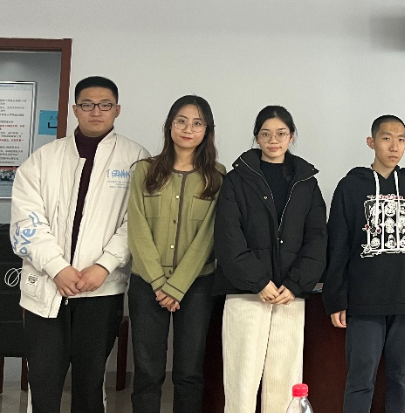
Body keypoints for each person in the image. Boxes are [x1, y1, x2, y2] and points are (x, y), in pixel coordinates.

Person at [9, 76, 149, 413]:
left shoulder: (136, 159)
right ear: (75, 109)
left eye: (104, 105)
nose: (96, 111)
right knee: (43, 381)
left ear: (117, 110)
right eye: (87, 104)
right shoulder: (43, 159)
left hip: (101, 290)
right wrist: (57, 268)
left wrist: (104, 266)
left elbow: (137, 223)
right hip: (46, 287)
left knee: (90, 383)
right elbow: (26, 222)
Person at [323, 114, 405, 413]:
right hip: (364, 302)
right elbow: (337, 245)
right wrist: (336, 298)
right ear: (371, 142)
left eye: (400, 140)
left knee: (401, 379)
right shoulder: (350, 187)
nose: (394, 147)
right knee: (360, 379)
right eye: (386, 138)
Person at [214, 105, 327, 413]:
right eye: (265, 134)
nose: (273, 140)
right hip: (246, 293)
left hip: (290, 295)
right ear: (256, 137)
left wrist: (295, 284)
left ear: (292, 136)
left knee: (285, 381)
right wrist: (258, 282)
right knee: (241, 380)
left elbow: (317, 238)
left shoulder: (306, 183)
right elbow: (228, 236)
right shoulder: (236, 180)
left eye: (281, 133)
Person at [127, 95, 225, 413]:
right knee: (147, 372)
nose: (188, 129)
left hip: (196, 285)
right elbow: (137, 229)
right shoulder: (144, 171)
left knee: (189, 372)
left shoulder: (217, 176)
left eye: (197, 123)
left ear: (207, 130)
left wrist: (177, 285)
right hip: (148, 284)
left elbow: (208, 235)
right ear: (169, 126)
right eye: (181, 121)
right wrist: (159, 282)